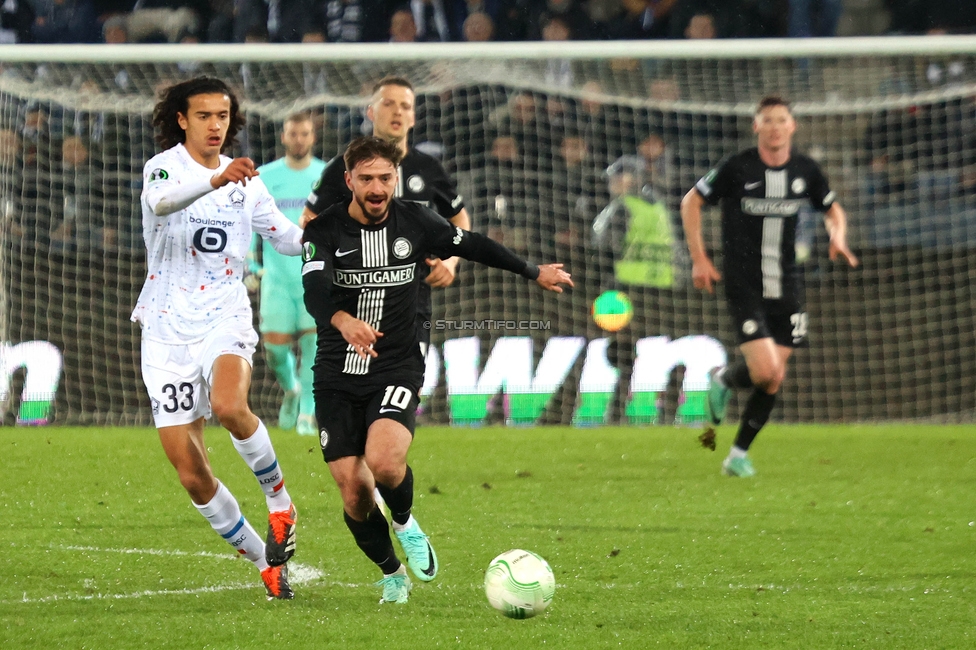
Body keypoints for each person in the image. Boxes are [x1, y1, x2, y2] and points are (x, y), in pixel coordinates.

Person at [301, 135, 573, 604]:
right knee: (354, 492)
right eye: (366, 178)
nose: (376, 187)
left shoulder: (417, 220)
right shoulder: (323, 231)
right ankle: (391, 574)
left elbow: (474, 245)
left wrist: (534, 271)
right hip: (336, 372)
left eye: (385, 178)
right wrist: (343, 320)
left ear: (396, 180)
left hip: (397, 364)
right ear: (348, 181)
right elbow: (315, 292)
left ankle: (405, 521)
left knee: (385, 461)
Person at [131, 76, 302, 599]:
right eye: (204, 116)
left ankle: (280, 502)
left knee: (230, 406)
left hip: (224, 316)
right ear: (181, 119)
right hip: (164, 330)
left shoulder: (248, 182)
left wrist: (334, 231)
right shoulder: (162, 167)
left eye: (222, 117)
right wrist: (215, 180)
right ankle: (263, 561)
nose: (215, 125)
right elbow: (161, 203)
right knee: (192, 474)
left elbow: (289, 239)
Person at [680, 95, 858, 478]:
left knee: (774, 376)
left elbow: (832, 209)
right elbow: (690, 202)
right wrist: (699, 257)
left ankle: (737, 456)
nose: (775, 127)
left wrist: (838, 236)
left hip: (787, 286)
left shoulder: (806, 170)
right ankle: (723, 379)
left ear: (792, 126)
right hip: (744, 285)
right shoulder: (737, 167)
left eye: (782, 120)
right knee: (765, 371)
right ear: (756, 126)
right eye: (768, 120)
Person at [300, 75, 471, 351]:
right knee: (357, 390)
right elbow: (308, 218)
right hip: (355, 301)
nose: (397, 111)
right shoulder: (344, 165)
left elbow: (459, 217)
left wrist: (450, 261)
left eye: (405, 106)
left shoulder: (428, 168)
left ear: (413, 117)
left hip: (412, 303)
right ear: (371, 111)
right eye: (388, 103)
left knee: (409, 387)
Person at [247, 112, 326, 436]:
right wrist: (251, 264)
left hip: (313, 275)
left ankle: (307, 415)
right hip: (276, 279)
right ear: (284, 136)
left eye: (304, 134)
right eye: (293, 134)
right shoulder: (264, 176)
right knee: (275, 350)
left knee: (314, 347)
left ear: (312, 137)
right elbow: (250, 222)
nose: (299, 139)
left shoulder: (326, 174)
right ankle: (291, 388)